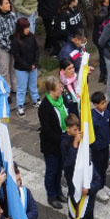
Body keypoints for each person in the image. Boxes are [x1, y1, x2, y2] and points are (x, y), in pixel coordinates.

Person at [62, 114, 98, 219]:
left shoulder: (83, 144)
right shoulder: (65, 143)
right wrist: (75, 144)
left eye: (79, 130)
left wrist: (91, 188)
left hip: (87, 194)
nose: (78, 133)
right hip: (76, 195)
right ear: (68, 129)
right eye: (75, 130)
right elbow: (68, 165)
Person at [38, 75, 69, 209]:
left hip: (62, 142)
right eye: (59, 88)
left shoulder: (61, 101)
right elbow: (48, 130)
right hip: (52, 145)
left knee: (59, 170)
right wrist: (62, 140)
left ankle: (59, 192)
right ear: (51, 90)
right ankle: (51, 196)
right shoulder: (45, 107)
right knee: (52, 171)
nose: (61, 90)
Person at [90, 92, 110, 203]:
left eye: (105, 102)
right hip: (97, 148)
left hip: (105, 145)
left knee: (104, 165)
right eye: (102, 103)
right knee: (98, 167)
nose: (104, 105)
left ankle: (103, 184)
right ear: (95, 105)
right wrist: (95, 145)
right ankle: (98, 188)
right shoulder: (93, 117)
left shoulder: (106, 113)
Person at [11, 18, 40, 116]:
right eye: (26, 28)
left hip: (32, 66)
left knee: (33, 84)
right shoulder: (15, 40)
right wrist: (28, 66)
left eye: (28, 27)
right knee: (21, 87)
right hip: (21, 68)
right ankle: (20, 106)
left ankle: (36, 100)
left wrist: (35, 63)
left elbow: (36, 50)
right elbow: (17, 57)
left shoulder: (31, 37)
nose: (28, 29)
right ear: (20, 29)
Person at [0, 0, 17, 92]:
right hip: (4, 48)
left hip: (13, 45)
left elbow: (16, 30)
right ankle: (7, 91)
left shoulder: (12, 15)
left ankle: (15, 87)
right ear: (0, 6)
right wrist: (8, 48)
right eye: (6, 3)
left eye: (9, 3)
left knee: (14, 68)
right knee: (5, 70)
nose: (9, 5)